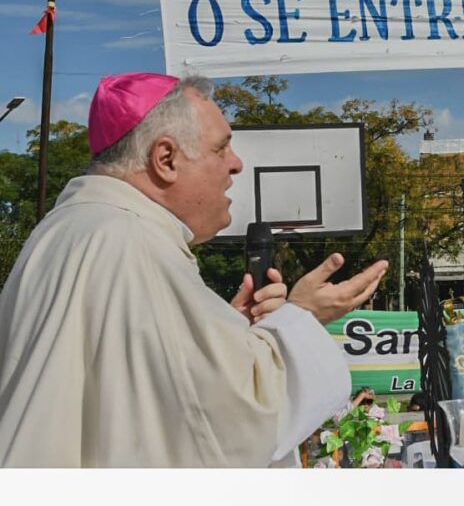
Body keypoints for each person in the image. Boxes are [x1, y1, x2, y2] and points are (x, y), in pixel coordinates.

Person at [0, 73, 388, 467]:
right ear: (165, 159)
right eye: (221, 149)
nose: (236, 165)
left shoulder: (66, 229)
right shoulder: (131, 241)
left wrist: (226, 331)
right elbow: (228, 420)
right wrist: (302, 317)